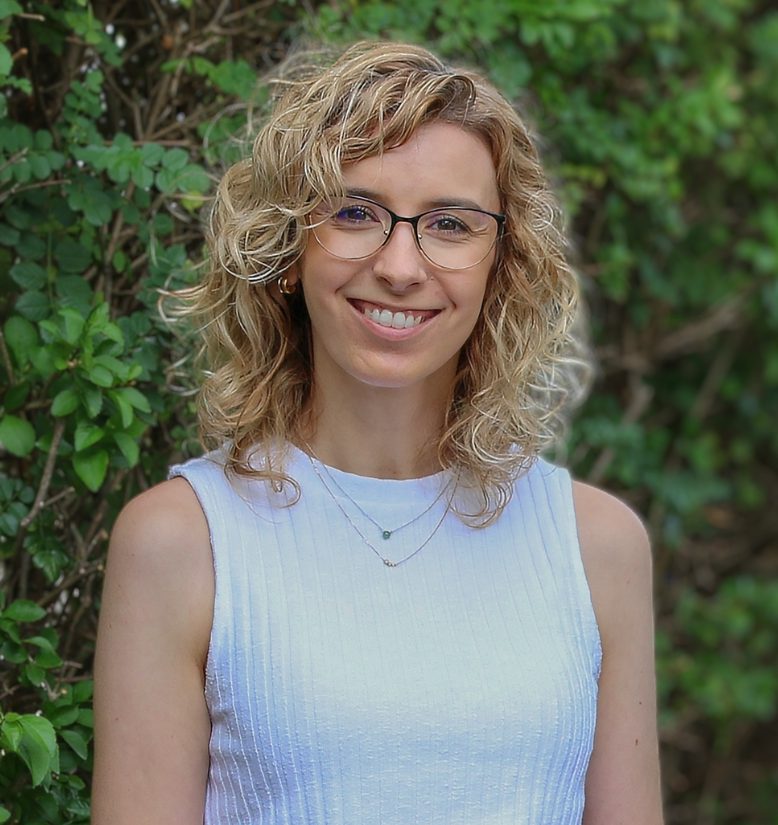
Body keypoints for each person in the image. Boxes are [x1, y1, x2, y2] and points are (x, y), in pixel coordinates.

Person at [91, 41, 664, 825]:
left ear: (503, 262)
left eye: (450, 224)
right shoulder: (179, 541)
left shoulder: (597, 547)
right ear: (289, 246)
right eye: (355, 212)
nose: (401, 265)